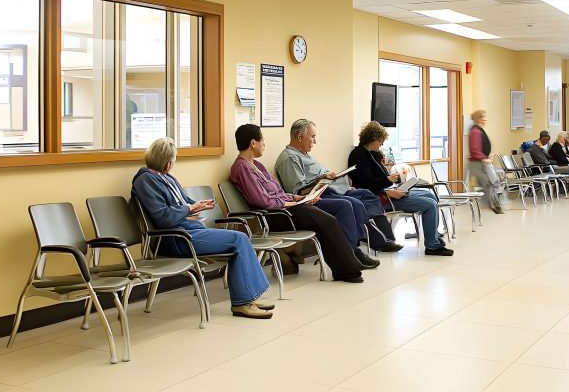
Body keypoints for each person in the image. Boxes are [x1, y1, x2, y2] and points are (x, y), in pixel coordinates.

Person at [131, 137, 274, 319]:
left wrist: (197, 206)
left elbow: (183, 203)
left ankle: (248, 298)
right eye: (173, 161)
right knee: (239, 239)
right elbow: (162, 216)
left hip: (190, 230)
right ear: (167, 163)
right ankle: (243, 303)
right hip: (178, 238)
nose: (173, 165)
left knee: (239, 240)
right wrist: (189, 209)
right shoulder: (145, 181)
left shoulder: (167, 178)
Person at [230, 124, 365, 283]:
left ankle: (348, 266)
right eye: (262, 140)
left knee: (328, 220)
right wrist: (289, 204)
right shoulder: (242, 168)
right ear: (253, 143)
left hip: (286, 209)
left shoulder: (257, 165)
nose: (264, 144)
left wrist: (298, 199)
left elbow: (278, 192)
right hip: (276, 215)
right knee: (327, 221)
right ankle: (347, 270)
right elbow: (262, 201)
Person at [275, 119, 389, 266]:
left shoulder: (305, 154)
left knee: (358, 200)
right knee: (346, 205)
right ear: (300, 136)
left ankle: (357, 247)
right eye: (313, 137)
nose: (315, 141)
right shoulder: (289, 157)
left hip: (330, 191)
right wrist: (322, 179)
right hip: (310, 200)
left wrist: (329, 178)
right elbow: (298, 190)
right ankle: (351, 252)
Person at [348, 121, 454, 256]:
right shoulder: (358, 156)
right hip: (378, 197)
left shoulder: (374, 154)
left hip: (388, 192)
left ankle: (435, 236)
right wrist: (388, 186)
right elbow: (366, 184)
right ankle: (432, 246)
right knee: (430, 205)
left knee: (430, 195)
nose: (382, 144)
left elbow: (382, 179)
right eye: (380, 141)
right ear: (372, 138)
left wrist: (393, 181)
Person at [468, 110, 504, 214]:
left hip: (482, 162)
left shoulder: (478, 130)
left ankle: (495, 206)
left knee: (492, 184)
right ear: (478, 119)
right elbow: (475, 150)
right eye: (483, 117)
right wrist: (484, 158)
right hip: (478, 164)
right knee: (490, 184)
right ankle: (495, 207)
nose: (485, 119)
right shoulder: (475, 131)